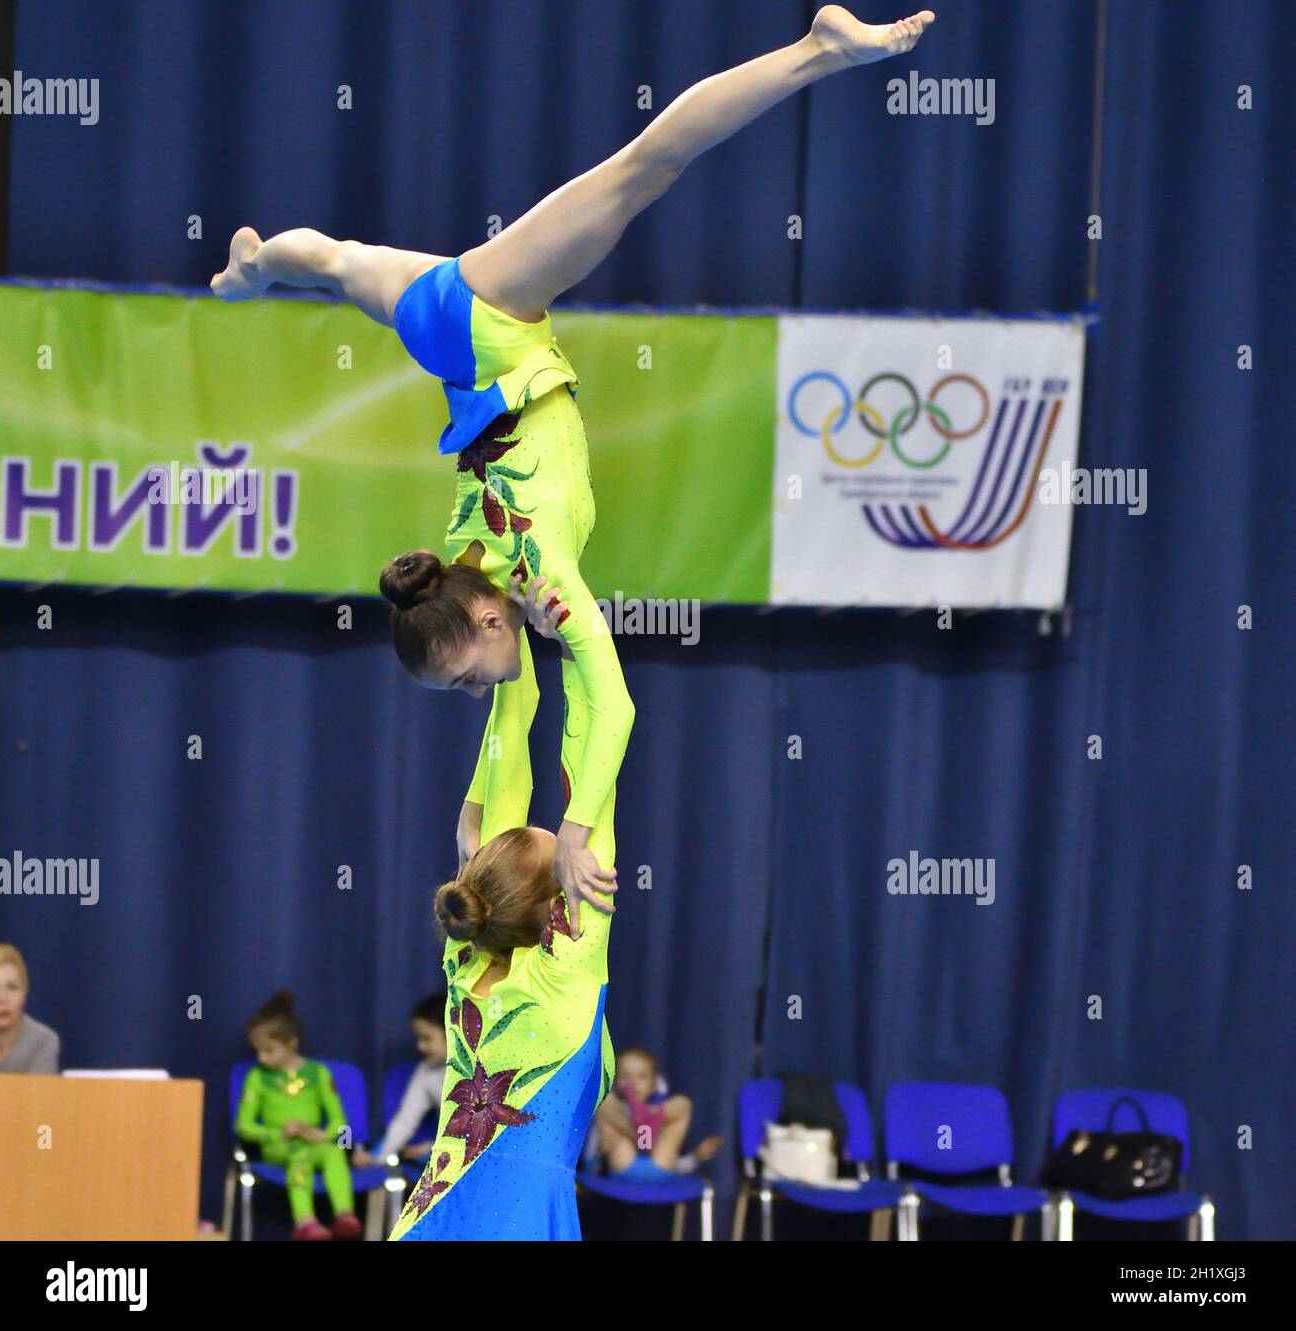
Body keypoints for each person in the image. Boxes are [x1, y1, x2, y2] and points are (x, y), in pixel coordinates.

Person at [210, 8, 937, 929]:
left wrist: (580, 824)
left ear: (483, 616)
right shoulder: (469, 570)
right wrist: (476, 805)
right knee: (334, 259)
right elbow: (514, 706)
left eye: (467, 676)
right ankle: (256, 268)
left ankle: (815, 49)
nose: (482, 690)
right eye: (468, 688)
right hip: (442, 333)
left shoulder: (541, 583)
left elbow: (615, 701)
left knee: (646, 168)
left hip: (486, 318)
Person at [387, 825, 618, 1240]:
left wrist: (469, 821)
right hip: (525, 1220)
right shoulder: (568, 970)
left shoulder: (462, 961)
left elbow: (500, 788)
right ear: (557, 904)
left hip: (436, 1217)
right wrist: (577, 826)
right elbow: (598, 792)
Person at [234, 990, 363, 1241]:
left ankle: (345, 1215)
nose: (261, 1058)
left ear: (292, 1042)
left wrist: (321, 1133)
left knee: (334, 1153)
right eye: (257, 1051)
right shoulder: (257, 1077)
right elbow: (243, 1125)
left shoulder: (319, 1073)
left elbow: (339, 1121)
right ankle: (305, 1221)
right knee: (300, 1155)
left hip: (314, 1141)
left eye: (269, 1050)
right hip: (278, 1145)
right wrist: (275, 1133)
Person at [595, 1046, 722, 1181]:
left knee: (683, 1103)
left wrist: (696, 1157)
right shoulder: (612, 1107)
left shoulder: (665, 1117)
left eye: (641, 1077)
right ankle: (640, 1125)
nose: (632, 1083)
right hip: (623, 1164)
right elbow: (593, 1155)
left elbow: (676, 1165)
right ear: (616, 1081)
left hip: (660, 1167)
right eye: (625, 1076)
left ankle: (645, 1117)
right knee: (604, 1101)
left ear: (654, 1084)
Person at [352, 995, 447, 1168]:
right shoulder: (425, 1072)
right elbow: (404, 1122)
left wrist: (435, 1149)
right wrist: (376, 1157)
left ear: (452, 1032)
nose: (420, 1046)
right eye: (418, 1039)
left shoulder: (479, 1069)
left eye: (426, 1039)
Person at [0, 943, 60, 1075]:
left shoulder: (42, 1041)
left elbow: (40, 1095)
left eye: (12, 987)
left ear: (24, 995)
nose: (2, 999)